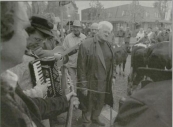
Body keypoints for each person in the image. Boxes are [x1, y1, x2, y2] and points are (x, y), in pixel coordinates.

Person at [1, 2, 79, 127]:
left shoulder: (8, 80)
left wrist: (63, 100)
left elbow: (25, 104)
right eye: (22, 28)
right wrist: (40, 90)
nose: (26, 35)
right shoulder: (14, 64)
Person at [77, 21, 114, 127]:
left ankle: (95, 117)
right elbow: (81, 67)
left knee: (100, 101)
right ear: (98, 31)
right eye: (105, 31)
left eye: (109, 32)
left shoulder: (108, 45)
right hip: (91, 80)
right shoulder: (86, 44)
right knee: (88, 102)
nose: (107, 34)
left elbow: (113, 62)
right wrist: (83, 85)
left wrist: (114, 76)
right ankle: (86, 121)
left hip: (104, 81)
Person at [63, 20, 86, 92]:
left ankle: (80, 98)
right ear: (72, 28)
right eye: (74, 27)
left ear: (81, 28)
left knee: (81, 82)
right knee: (73, 82)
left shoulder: (84, 37)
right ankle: (74, 98)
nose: (76, 29)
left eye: (78, 27)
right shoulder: (67, 38)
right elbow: (64, 51)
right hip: (71, 64)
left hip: (81, 65)